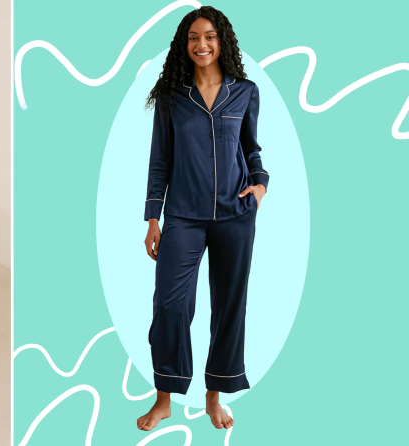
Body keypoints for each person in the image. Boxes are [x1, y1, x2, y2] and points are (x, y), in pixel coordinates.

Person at [136, 6, 268, 432]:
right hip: (182, 217)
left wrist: (261, 185)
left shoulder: (244, 92)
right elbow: (160, 161)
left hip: (235, 214)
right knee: (170, 306)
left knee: (229, 307)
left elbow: (251, 150)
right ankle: (164, 399)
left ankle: (214, 397)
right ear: (184, 44)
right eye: (193, 37)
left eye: (209, 36)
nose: (202, 44)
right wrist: (152, 219)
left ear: (221, 40)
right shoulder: (173, 98)